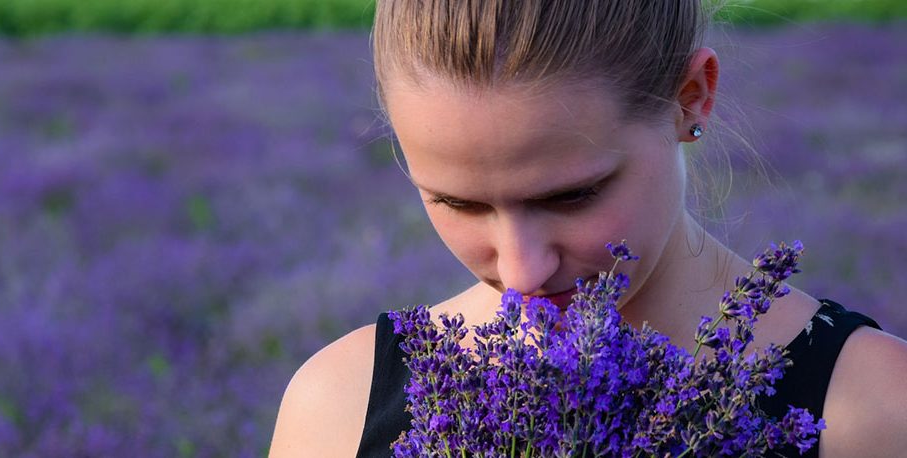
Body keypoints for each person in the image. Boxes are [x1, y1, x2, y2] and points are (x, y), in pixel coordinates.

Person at [270, 1, 907, 456]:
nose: (521, 274)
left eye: (572, 196)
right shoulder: (340, 405)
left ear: (690, 97)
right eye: (458, 203)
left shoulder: (874, 409)